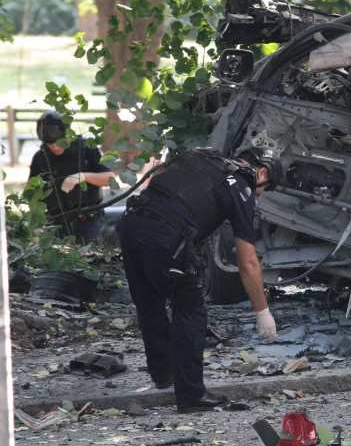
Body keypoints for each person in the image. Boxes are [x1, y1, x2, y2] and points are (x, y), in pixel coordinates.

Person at [116, 146, 282, 413]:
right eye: (265, 188)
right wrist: (262, 312)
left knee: (149, 302)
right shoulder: (241, 186)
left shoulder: (204, 159)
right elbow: (247, 261)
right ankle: (191, 395)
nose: (260, 194)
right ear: (262, 172)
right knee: (190, 307)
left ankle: (163, 373)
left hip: (130, 224)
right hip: (165, 235)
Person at [28, 110, 115, 244]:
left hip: (87, 221)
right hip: (56, 224)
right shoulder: (41, 158)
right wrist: (36, 224)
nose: (55, 147)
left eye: (58, 142)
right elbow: (33, 195)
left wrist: (83, 176)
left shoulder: (86, 149)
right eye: (50, 144)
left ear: (67, 135)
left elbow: (110, 179)